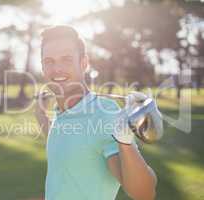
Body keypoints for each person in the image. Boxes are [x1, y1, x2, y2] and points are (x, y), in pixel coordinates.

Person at [35, 25, 157, 200]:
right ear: (42, 67)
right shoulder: (62, 112)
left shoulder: (104, 113)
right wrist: (39, 113)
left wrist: (124, 141)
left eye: (66, 59)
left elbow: (144, 194)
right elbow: (68, 140)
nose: (57, 69)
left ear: (84, 63)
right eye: (49, 61)